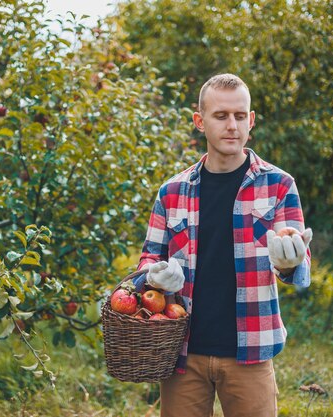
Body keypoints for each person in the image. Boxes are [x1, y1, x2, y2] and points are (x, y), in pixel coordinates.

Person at [133, 73, 313, 417]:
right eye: (221, 116)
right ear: (200, 122)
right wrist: (154, 277)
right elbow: (148, 260)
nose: (232, 125)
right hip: (183, 354)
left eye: (239, 116)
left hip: (251, 352)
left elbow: (299, 266)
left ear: (251, 120)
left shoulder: (279, 185)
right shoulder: (171, 192)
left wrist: (290, 262)